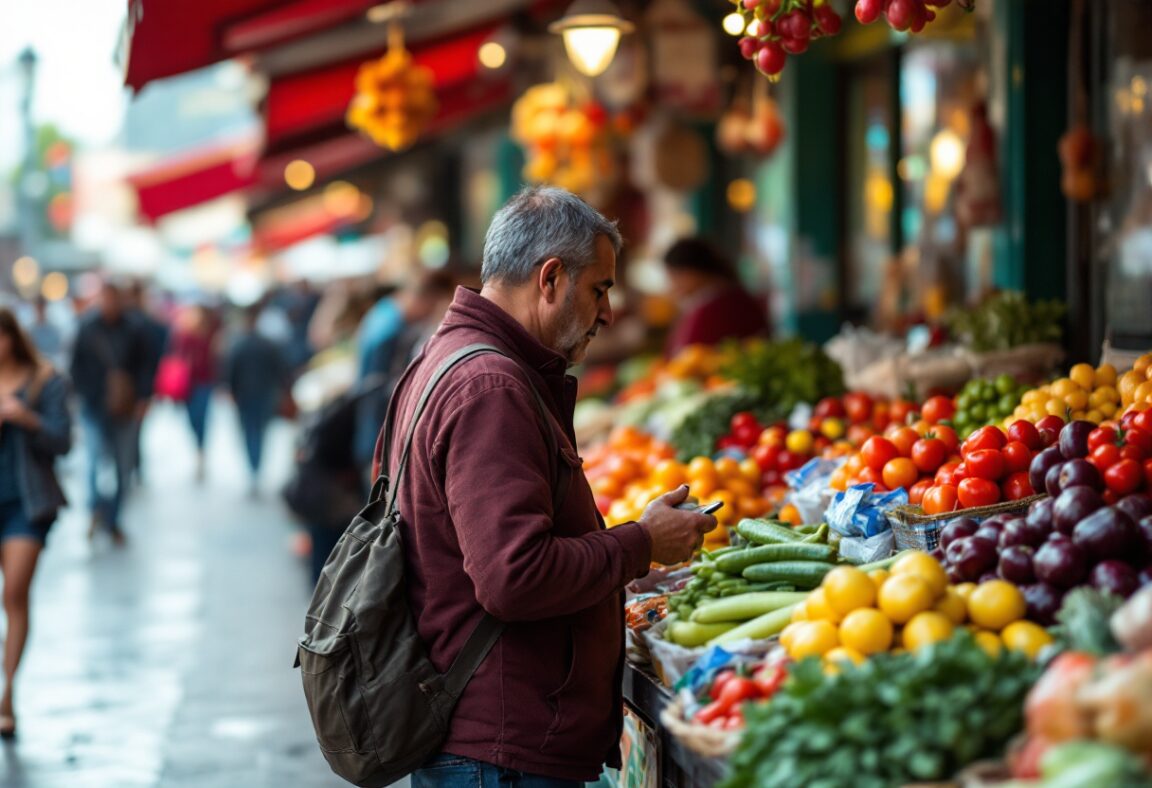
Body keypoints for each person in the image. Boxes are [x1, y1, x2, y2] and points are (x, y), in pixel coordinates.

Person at [386, 186, 716, 786]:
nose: (608, 314)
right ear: (551, 278)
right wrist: (640, 543)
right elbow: (514, 577)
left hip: (487, 737)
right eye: (600, 289)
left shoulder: (449, 358)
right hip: (501, 750)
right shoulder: (491, 387)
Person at [0, 308, 70, 739]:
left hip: (27, 503)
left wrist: (25, 418)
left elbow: (63, 441)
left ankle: (7, 692)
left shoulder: (46, 379)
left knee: (15, 593)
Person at [70, 281, 150, 543]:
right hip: (94, 405)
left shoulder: (134, 328)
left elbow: (145, 366)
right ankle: (96, 509)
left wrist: (141, 397)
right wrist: (85, 394)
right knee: (93, 461)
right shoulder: (87, 327)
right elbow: (76, 366)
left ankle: (113, 519)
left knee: (122, 466)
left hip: (123, 408)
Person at [352, 270, 457, 468]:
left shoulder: (384, 311)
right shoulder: (391, 330)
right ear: (427, 299)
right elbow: (381, 390)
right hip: (379, 435)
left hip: (372, 431)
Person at [661, 237, 769, 357]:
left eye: (674, 277)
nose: (672, 286)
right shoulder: (724, 297)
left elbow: (684, 356)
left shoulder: (718, 306)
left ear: (693, 272)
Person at [224, 304, 290, 495]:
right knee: (260, 431)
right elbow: (282, 370)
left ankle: (253, 467)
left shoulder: (240, 344)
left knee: (249, 431)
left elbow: (230, 370)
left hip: (247, 394)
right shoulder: (267, 344)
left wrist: (231, 390)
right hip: (265, 393)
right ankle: (256, 466)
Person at [123, 280, 168, 484]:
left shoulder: (141, 324)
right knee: (133, 431)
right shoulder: (143, 323)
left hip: (135, 390)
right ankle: (133, 464)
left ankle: (132, 464)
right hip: (131, 390)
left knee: (133, 431)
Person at [168, 304, 219, 481]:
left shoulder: (210, 336)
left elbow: (213, 361)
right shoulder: (183, 336)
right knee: (191, 419)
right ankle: (197, 448)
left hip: (204, 384)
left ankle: (200, 452)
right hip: (188, 385)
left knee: (202, 419)